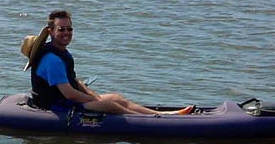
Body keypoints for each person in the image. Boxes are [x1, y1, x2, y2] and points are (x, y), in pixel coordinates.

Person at [24, 9, 194, 115]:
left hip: (65, 100)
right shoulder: (52, 60)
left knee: (115, 97)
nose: (66, 33)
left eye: (69, 29)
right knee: (111, 105)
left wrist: (93, 96)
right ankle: (151, 121)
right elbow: (69, 94)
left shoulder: (61, 52)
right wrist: (95, 102)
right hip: (56, 107)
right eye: (61, 29)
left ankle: (163, 115)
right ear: (51, 32)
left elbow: (74, 81)